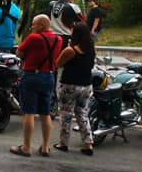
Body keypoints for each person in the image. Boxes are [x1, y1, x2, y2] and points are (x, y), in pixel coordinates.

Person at [10, 14, 62, 157]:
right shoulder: (58, 39)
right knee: (45, 113)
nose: (32, 27)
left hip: (32, 76)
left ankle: (26, 147)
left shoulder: (34, 38)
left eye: (34, 24)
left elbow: (19, 53)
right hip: (49, 77)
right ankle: (45, 147)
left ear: (42, 25)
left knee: (29, 112)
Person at [54, 22, 96, 155]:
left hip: (69, 85)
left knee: (66, 114)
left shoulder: (70, 50)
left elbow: (58, 64)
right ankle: (88, 143)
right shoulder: (91, 50)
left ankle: (63, 143)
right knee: (82, 114)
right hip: (86, 85)